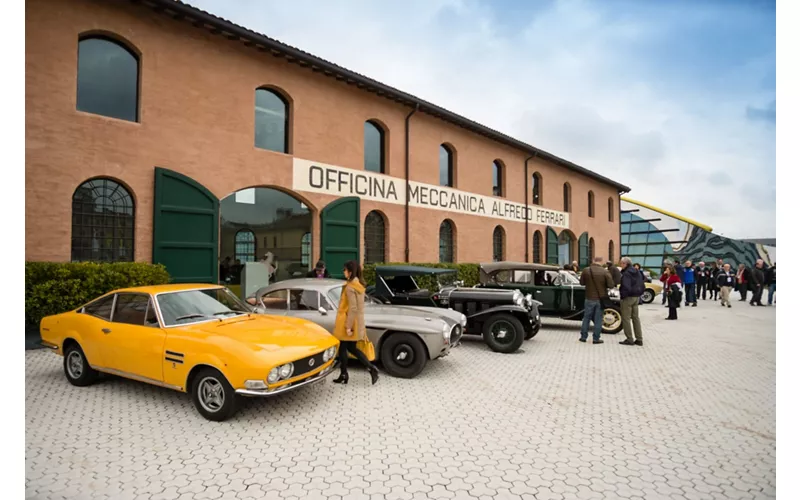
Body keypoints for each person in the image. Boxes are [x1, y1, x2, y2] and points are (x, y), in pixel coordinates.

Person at [332, 260, 379, 385]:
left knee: (344, 348)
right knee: (350, 348)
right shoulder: (358, 285)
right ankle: (346, 373)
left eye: (345, 270)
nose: (343, 272)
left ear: (350, 272)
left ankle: (368, 369)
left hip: (347, 322)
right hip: (356, 321)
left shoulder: (350, 287)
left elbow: (352, 308)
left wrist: (348, 327)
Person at [579, 257, 614, 344]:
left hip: (589, 298)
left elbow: (582, 283)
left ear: (593, 261)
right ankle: (596, 338)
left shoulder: (586, 270)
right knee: (598, 319)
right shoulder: (605, 271)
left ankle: (583, 337)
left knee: (586, 318)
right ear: (601, 262)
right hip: (600, 299)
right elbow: (611, 285)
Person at [619, 257, 645, 346]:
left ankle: (629, 339)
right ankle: (639, 339)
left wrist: (623, 295)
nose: (620, 265)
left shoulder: (626, 273)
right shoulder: (636, 271)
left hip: (628, 297)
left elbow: (626, 286)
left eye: (621, 263)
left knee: (626, 318)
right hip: (636, 296)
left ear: (625, 264)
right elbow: (642, 282)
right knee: (636, 318)